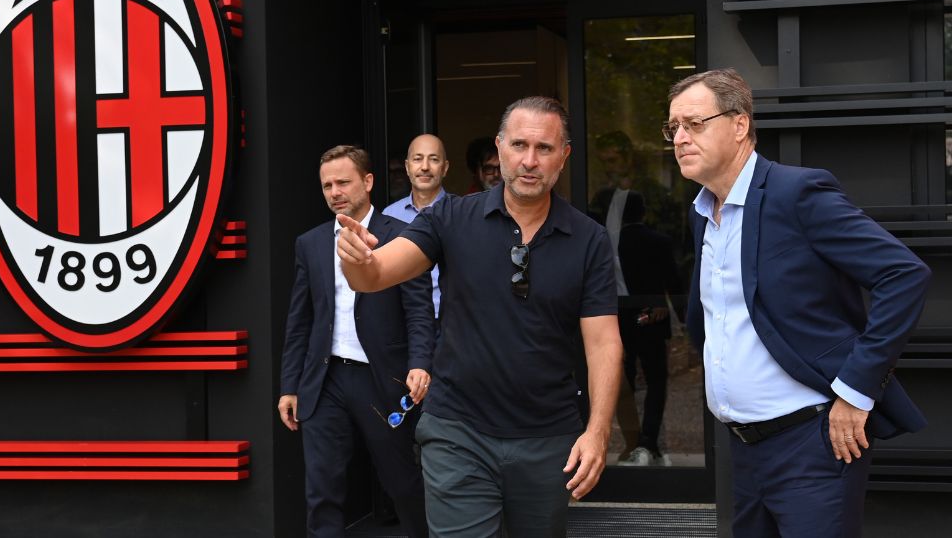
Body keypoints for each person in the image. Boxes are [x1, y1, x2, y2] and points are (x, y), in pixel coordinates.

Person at [336, 96, 622, 537]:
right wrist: (356, 259)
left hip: (548, 440)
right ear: (500, 147)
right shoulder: (450, 217)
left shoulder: (589, 239)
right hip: (457, 433)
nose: (529, 160)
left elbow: (603, 342)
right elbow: (375, 274)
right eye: (519, 145)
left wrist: (598, 432)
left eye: (544, 148)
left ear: (564, 156)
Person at [668, 69, 931, 537]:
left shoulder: (797, 194)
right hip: (744, 451)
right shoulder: (703, 213)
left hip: (813, 445)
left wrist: (856, 389)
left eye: (694, 123)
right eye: (674, 129)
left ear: (739, 124)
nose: (681, 138)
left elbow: (904, 274)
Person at [278, 145, 434, 538]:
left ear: (367, 182)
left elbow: (419, 311)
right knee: (322, 491)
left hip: (381, 378)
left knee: (402, 482)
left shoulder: (402, 236)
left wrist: (420, 363)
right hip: (324, 380)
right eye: (327, 185)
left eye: (343, 182)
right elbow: (300, 321)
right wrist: (290, 386)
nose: (334, 192)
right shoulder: (310, 243)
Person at [614, 191, 683, 467]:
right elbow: (675, 284)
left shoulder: (613, 244)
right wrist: (684, 317)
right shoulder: (660, 242)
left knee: (624, 383)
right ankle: (648, 441)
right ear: (643, 212)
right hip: (654, 320)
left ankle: (632, 442)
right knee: (656, 382)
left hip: (620, 320)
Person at [383, 134, 449, 318]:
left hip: (449, 318)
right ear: (407, 167)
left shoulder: (460, 213)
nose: (425, 167)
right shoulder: (389, 214)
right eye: (418, 159)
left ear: (445, 168)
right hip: (403, 319)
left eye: (434, 159)